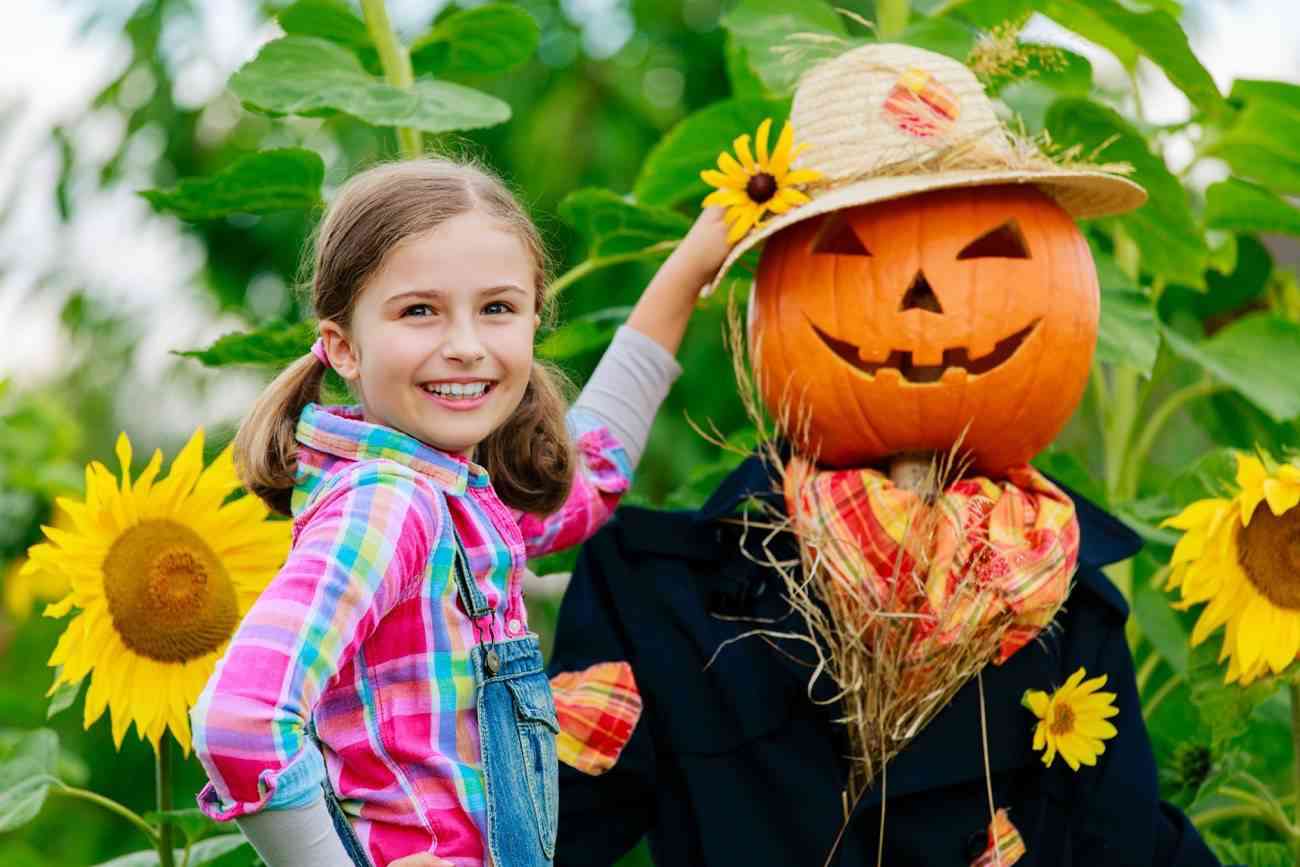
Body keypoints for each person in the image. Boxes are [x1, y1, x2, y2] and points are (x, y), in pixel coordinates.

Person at [188, 157, 732, 867]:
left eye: (497, 308)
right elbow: (240, 720)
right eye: (420, 310)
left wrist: (690, 265)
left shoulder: (459, 503)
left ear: (536, 319)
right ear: (344, 345)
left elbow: (592, 473)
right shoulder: (389, 505)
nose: (467, 345)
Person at [547, 454, 1224, 866]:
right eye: (858, 246)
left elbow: (1123, 843)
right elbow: (540, 835)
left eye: (978, 254)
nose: (923, 305)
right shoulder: (669, 599)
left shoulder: (1066, 612)